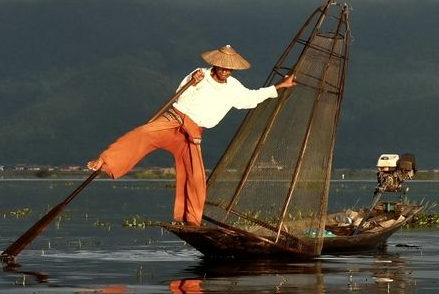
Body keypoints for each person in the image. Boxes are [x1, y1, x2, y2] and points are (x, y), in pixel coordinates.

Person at [87, 44, 297, 226]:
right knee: (143, 133)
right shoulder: (200, 74)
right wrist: (193, 82)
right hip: (174, 120)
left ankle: (192, 221)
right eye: (222, 66)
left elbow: (250, 98)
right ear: (216, 64)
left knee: (196, 177)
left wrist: (280, 85)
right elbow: (181, 94)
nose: (225, 71)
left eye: (229, 69)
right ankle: (104, 161)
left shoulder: (233, 86)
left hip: (193, 133)